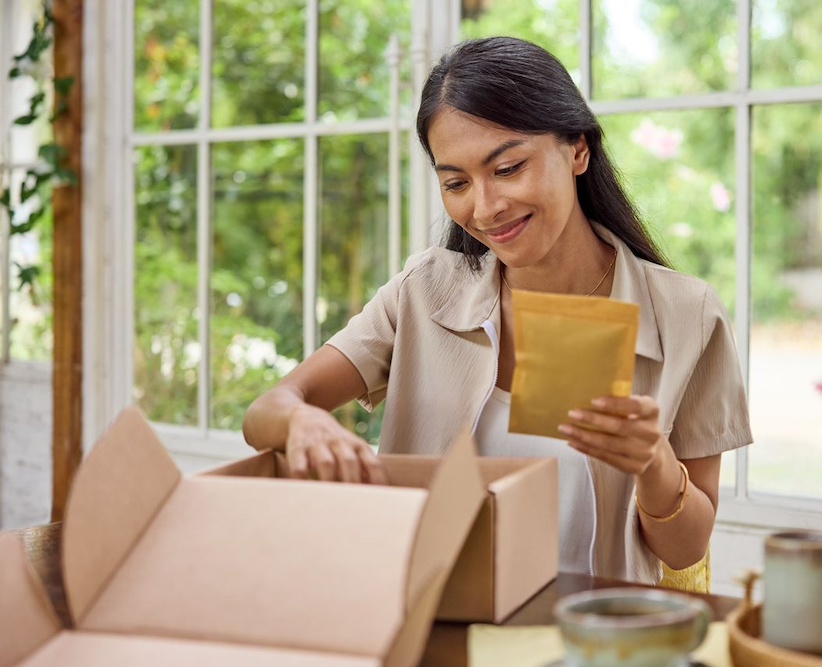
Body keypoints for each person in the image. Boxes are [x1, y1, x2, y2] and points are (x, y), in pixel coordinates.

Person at [243, 36, 752, 586]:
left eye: (507, 168)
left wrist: (654, 464)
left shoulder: (686, 315)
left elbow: (684, 551)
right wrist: (302, 422)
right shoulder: (424, 293)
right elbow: (266, 411)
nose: (484, 208)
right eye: (456, 182)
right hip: (435, 625)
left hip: (587, 639)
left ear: (578, 149)